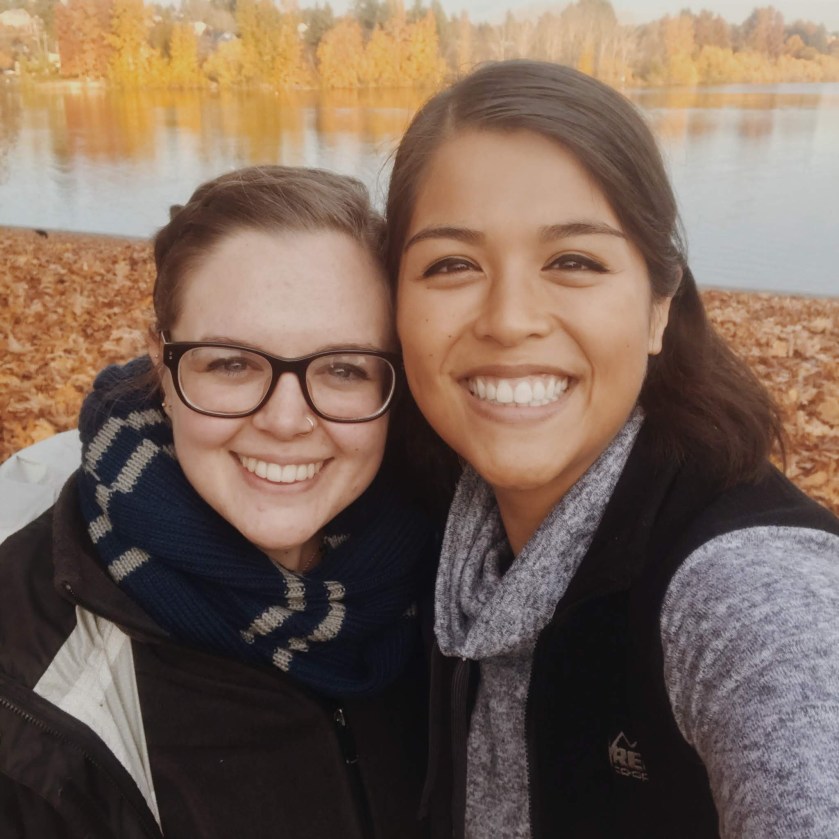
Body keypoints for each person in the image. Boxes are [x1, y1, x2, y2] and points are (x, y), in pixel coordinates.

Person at [385, 60, 839, 839]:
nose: (509, 318)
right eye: (452, 264)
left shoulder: (747, 596)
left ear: (658, 307)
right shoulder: (428, 526)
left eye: (574, 261)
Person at [0, 165, 442, 838]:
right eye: (232, 363)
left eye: (343, 368)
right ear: (161, 363)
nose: (287, 420)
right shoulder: (26, 681)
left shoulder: (454, 580)